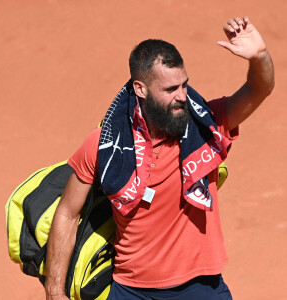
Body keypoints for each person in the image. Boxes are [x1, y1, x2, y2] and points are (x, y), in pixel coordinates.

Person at [44, 16, 274, 300]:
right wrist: (54, 292)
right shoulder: (104, 145)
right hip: (131, 291)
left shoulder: (206, 125)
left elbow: (258, 89)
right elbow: (67, 212)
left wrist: (260, 57)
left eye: (184, 85)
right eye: (170, 90)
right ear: (140, 89)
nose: (182, 97)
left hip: (200, 288)